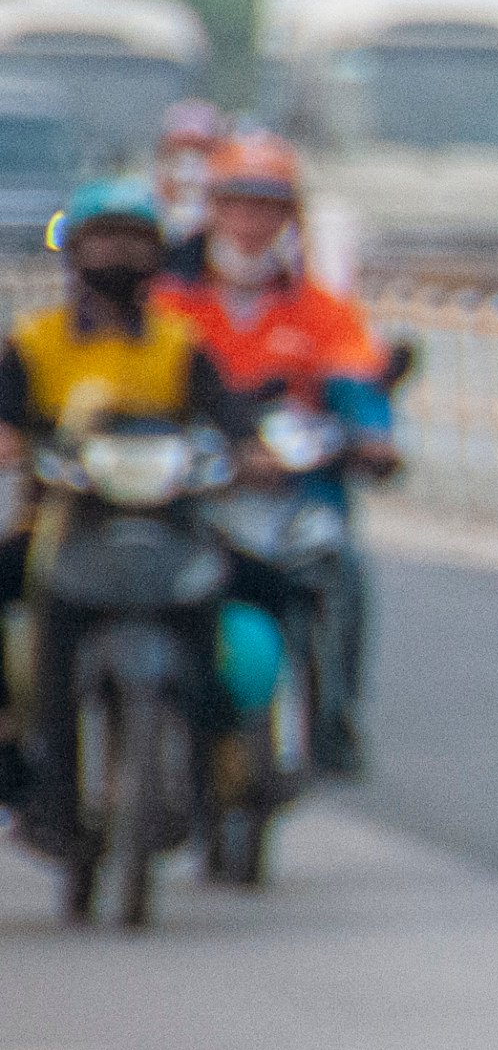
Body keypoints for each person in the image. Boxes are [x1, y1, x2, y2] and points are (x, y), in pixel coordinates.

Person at [0, 180, 256, 848]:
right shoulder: (36, 341)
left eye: (134, 241)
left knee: (249, 591)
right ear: (76, 254)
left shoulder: (181, 341)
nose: (118, 255)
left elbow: (231, 418)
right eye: (104, 240)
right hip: (59, 525)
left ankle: (226, 753)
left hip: (169, 525)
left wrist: (255, 450)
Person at [156, 135, 400, 773]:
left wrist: (374, 436)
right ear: (211, 209)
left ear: (290, 217)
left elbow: (359, 383)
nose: (250, 223)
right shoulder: (169, 303)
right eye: (237, 204)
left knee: (342, 571)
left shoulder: (322, 311)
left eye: (267, 207)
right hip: (187, 493)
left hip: (293, 494)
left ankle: (331, 717)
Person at [151, 100, 224, 277]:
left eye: (201, 150)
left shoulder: (230, 235)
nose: (188, 168)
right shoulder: (147, 222)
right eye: (178, 152)